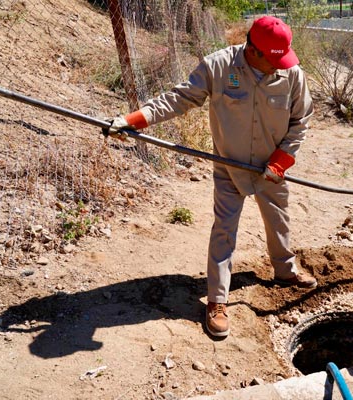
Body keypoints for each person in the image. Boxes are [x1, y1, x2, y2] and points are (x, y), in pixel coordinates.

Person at [106, 16, 315, 338]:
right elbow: (178, 98)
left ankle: (285, 272)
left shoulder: (292, 74)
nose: (279, 66)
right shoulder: (218, 66)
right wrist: (134, 120)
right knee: (224, 231)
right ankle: (217, 300)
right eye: (273, 60)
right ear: (253, 50)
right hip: (229, 167)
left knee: (279, 220)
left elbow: (301, 121)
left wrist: (281, 161)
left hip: (272, 169)